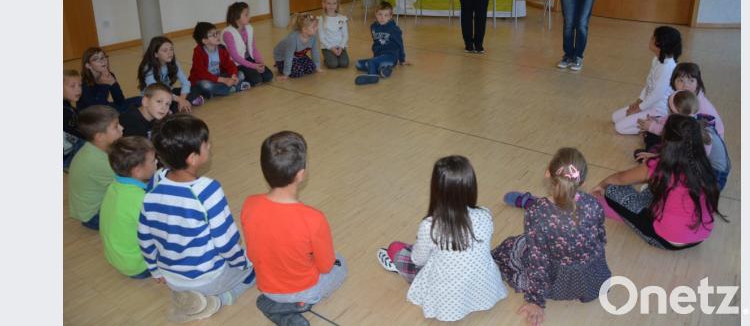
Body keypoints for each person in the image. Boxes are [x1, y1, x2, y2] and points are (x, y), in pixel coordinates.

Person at [138, 114, 255, 322]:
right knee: (258, 265)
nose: (209, 146)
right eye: (206, 144)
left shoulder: (154, 184)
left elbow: (144, 236)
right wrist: (244, 262)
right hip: (208, 278)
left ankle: (189, 295)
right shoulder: (207, 190)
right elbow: (226, 243)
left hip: (171, 277)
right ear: (192, 158)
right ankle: (221, 299)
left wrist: (155, 271)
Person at [376, 155, 507, 322]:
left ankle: (396, 265)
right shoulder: (485, 214)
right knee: (435, 251)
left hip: (447, 293)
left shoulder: (431, 225)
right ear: (471, 185)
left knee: (395, 248)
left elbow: (418, 260)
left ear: (436, 189)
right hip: (484, 286)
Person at [493, 148, 611, 326]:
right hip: (592, 280)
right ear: (582, 180)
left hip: (557, 282)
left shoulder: (537, 213)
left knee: (512, 246)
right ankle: (527, 200)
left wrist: (535, 301)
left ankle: (526, 200)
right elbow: (601, 238)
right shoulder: (593, 204)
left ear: (548, 173)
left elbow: (538, 260)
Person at [242, 131, 347, 325]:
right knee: (340, 263)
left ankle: (276, 303)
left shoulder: (249, 204)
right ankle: (295, 305)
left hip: (265, 286)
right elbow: (325, 266)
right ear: (301, 174)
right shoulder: (314, 218)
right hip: (303, 290)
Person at [592, 114, 726, 250]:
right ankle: (629, 214)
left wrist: (601, 185)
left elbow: (620, 178)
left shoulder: (659, 166)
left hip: (667, 240)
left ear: (667, 138)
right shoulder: (705, 164)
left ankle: (623, 215)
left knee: (613, 190)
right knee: (654, 188)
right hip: (701, 236)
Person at [99, 136, 157, 279]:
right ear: (137, 171)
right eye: (153, 160)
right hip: (137, 266)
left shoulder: (115, 185)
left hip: (118, 257)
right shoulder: (140, 200)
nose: (157, 162)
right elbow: (161, 232)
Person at [611, 26, 682, 135]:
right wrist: (638, 102)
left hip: (658, 110)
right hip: (647, 104)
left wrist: (638, 109)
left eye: (654, 38)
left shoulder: (668, 67)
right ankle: (646, 123)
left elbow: (657, 95)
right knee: (615, 117)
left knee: (619, 127)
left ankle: (653, 128)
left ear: (661, 44)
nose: (651, 39)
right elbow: (649, 85)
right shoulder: (657, 60)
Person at [68, 105, 124, 230]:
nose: (122, 128)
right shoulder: (97, 161)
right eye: (116, 126)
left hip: (92, 208)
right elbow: (130, 185)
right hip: (93, 216)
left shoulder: (96, 148)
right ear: (99, 137)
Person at [137, 36, 205, 113]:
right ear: (155, 54)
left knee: (197, 87)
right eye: (165, 50)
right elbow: (156, 91)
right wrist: (179, 99)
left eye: (171, 49)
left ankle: (178, 106)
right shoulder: (148, 68)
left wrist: (182, 99)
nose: (169, 53)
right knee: (160, 106)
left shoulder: (174, 63)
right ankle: (184, 104)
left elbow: (185, 83)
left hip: (170, 93)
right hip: (154, 97)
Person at [189, 21, 250, 99]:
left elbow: (230, 64)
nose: (217, 36)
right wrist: (223, 80)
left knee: (240, 74)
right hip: (205, 79)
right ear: (205, 40)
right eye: (213, 35)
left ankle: (215, 92)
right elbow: (202, 73)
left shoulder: (221, 48)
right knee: (205, 85)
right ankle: (233, 88)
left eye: (217, 33)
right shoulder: (198, 52)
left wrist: (233, 75)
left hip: (218, 77)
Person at [355, 1, 410, 85]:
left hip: (390, 56)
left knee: (371, 62)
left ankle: (373, 76)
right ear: (375, 14)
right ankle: (384, 70)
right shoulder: (373, 27)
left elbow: (400, 44)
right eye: (380, 14)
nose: (382, 18)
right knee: (358, 64)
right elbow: (376, 42)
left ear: (390, 16)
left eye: (386, 15)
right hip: (379, 56)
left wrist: (402, 60)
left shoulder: (394, 29)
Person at [222, 1, 274, 86]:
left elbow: (253, 49)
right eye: (246, 15)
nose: (249, 17)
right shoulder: (228, 33)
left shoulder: (249, 28)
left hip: (248, 59)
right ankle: (239, 78)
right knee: (256, 80)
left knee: (268, 76)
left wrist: (260, 62)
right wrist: (254, 66)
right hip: (236, 63)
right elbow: (235, 57)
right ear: (236, 17)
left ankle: (249, 73)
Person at [78, 47, 141, 112]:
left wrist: (113, 83)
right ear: (88, 65)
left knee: (140, 100)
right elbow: (97, 107)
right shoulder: (83, 83)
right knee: (125, 112)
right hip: (91, 115)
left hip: (104, 107)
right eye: (96, 59)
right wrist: (104, 84)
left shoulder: (109, 75)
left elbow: (120, 101)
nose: (102, 61)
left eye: (103, 57)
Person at [273, 13, 323, 80]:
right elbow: (289, 56)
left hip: (298, 55)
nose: (317, 28)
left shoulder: (313, 36)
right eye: (314, 27)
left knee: (311, 68)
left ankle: (297, 64)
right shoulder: (293, 38)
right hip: (283, 58)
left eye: (316, 26)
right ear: (304, 29)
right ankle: (279, 65)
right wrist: (286, 74)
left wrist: (317, 67)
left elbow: (315, 51)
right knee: (298, 72)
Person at [318, 0, 350, 69]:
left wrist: (341, 47)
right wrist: (331, 48)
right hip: (328, 47)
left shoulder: (342, 18)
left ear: (337, 5)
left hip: (340, 47)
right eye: (329, 3)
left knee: (344, 63)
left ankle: (336, 55)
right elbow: (321, 38)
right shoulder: (321, 19)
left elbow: (345, 35)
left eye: (334, 3)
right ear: (324, 4)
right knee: (333, 64)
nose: (331, 6)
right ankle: (327, 59)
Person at [64, 69, 85, 169]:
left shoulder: (67, 105)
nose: (78, 90)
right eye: (72, 86)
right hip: (67, 156)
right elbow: (83, 133)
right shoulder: (64, 112)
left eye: (80, 85)